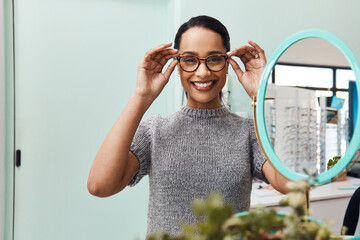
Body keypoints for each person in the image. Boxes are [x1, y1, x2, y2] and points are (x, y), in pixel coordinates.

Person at [87, 15, 289, 236]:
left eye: (214, 59)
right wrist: (141, 95)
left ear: (228, 64)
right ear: (177, 65)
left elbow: (289, 184)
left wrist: (260, 96)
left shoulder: (248, 131)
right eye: (190, 60)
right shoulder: (155, 130)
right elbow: (100, 185)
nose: (202, 72)